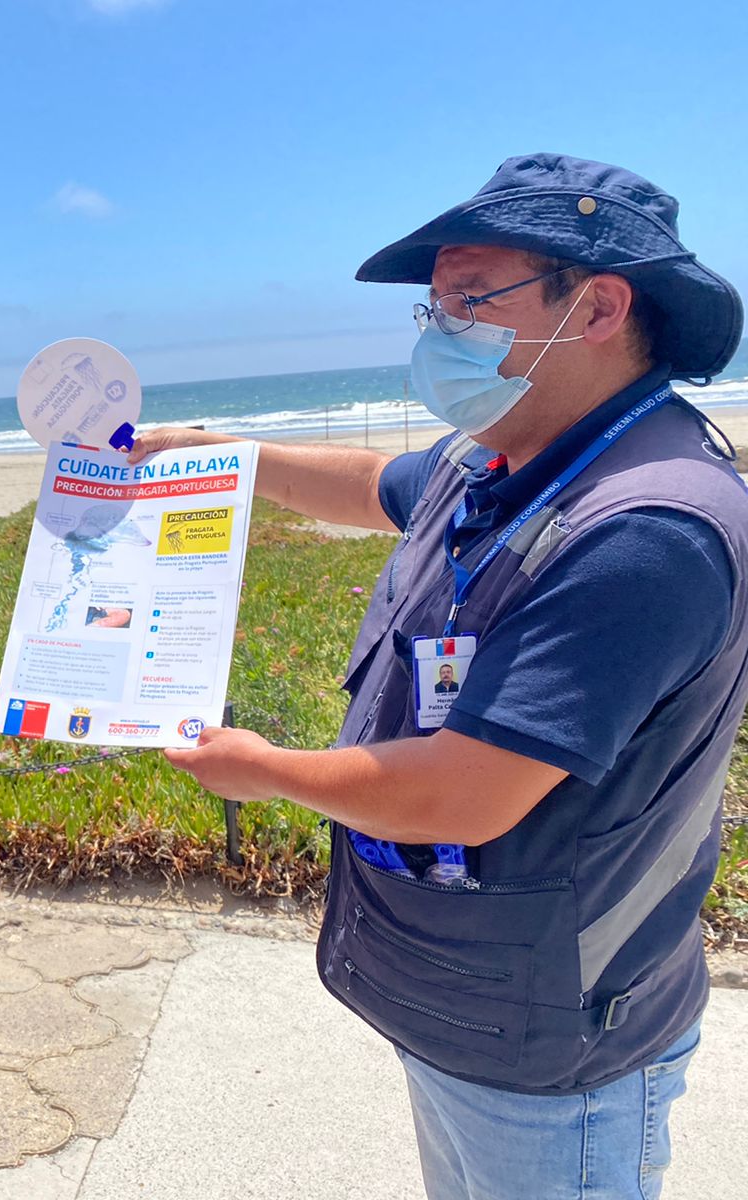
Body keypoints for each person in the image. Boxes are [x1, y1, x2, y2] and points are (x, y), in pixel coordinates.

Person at [134, 154, 748, 1198]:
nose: (437, 329)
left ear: (596, 307)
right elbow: (373, 483)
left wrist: (264, 769)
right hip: (471, 994)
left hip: (557, 1044)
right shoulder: (505, 453)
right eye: (435, 304)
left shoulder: (646, 526)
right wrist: (213, 452)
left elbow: (463, 793)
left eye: (470, 299)